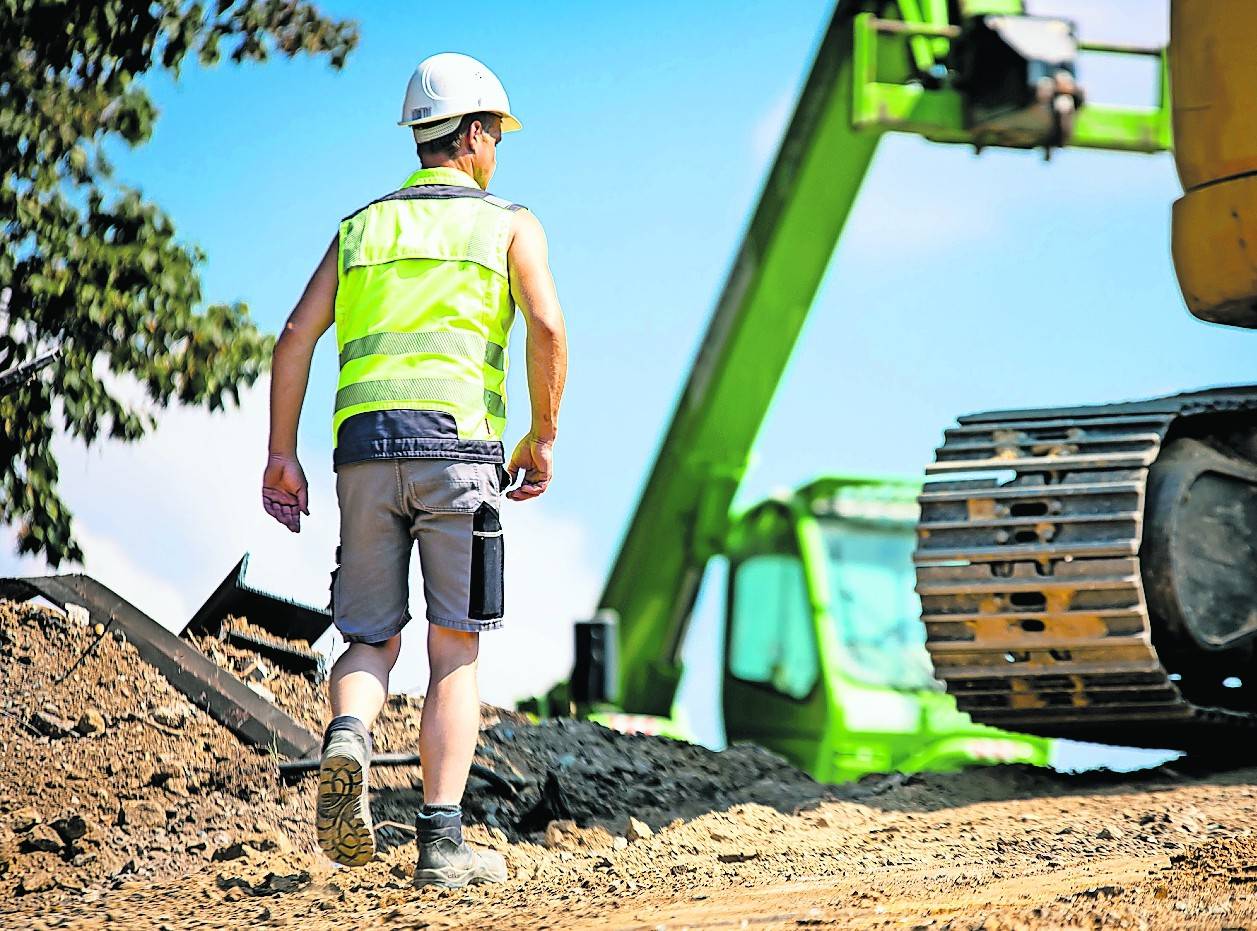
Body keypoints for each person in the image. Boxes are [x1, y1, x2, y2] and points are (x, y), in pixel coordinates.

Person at [262, 52, 567, 888]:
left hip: (363, 455)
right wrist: (541, 435)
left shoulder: (360, 226)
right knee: (453, 648)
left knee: (367, 636)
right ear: (470, 134)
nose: (498, 148)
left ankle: (348, 742)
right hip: (458, 454)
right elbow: (543, 323)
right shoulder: (509, 223)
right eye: (495, 133)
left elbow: (294, 337)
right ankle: (440, 842)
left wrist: (280, 454)